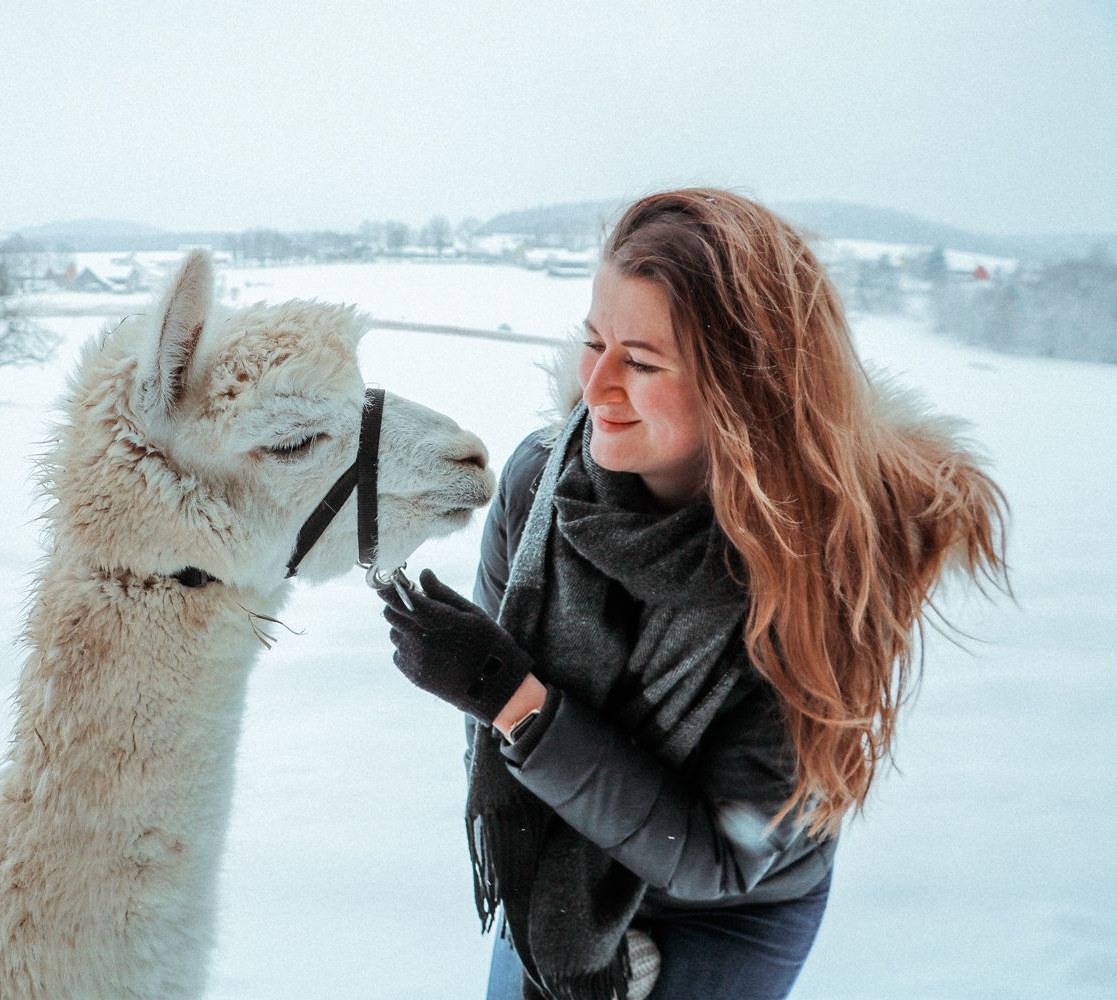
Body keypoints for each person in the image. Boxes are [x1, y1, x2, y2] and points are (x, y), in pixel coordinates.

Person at [379, 189, 1009, 1000]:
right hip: (559, 858)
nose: (596, 387)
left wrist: (510, 697)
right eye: (593, 341)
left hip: (730, 904)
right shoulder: (541, 486)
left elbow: (720, 852)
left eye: (641, 363)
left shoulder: (830, 569)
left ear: (744, 389)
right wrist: (565, 924)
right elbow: (495, 742)